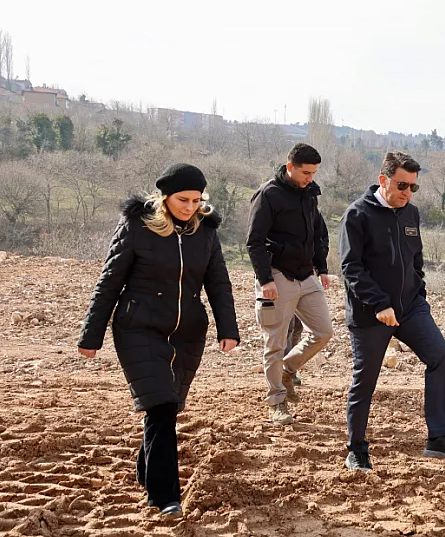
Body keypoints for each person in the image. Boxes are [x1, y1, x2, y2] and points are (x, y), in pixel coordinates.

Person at [77, 163, 239, 517]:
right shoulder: (137, 226)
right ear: (165, 198)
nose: (190, 207)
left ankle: (146, 471)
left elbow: (218, 282)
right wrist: (92, 334)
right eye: (183, 199)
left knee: (165, 410)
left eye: (197, 200)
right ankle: (166, 498)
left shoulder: (205, 232)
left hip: (188, 333)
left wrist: (229, 329)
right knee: (161, 406)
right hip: (138, 326)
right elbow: (109, 282)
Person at [339, 152, 445, 471]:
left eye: (413, 187)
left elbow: (415, 260)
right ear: (383, 180)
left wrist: (419, 294)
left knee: (440, 356)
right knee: (365, 379)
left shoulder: (410, 213)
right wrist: (379, 303)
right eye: (402, 185)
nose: (408, 192)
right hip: (371, 314)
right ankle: (356, 449)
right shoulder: (356, 215)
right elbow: (350, 267)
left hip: (411, 308)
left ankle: (437, 438)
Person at [246, 143, 336, 425]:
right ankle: (277, 402)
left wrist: (321, 268)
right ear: (290, 167)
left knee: (323, 332)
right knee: (274, 343)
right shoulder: (268, 195)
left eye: (314, 173)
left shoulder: (310, 194)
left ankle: (287, 369)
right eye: (306, 172)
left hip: (306, 276)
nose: (310, 178)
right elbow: (254, 242)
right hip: (277, 276)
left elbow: (318, 233)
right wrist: (265, 279)